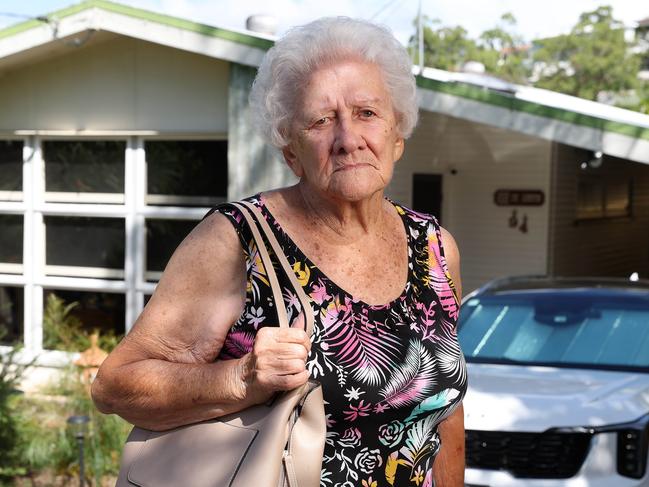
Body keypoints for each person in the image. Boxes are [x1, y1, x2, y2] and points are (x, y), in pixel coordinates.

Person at [92, 17, 467, 487]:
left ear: (397, 134)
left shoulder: (434, 247)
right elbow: (115, 385)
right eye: (321, 120)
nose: (348, 138)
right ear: (291, 151)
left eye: (367, 113)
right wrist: (242, 377)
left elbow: (447, 416)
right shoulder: (236, 240)